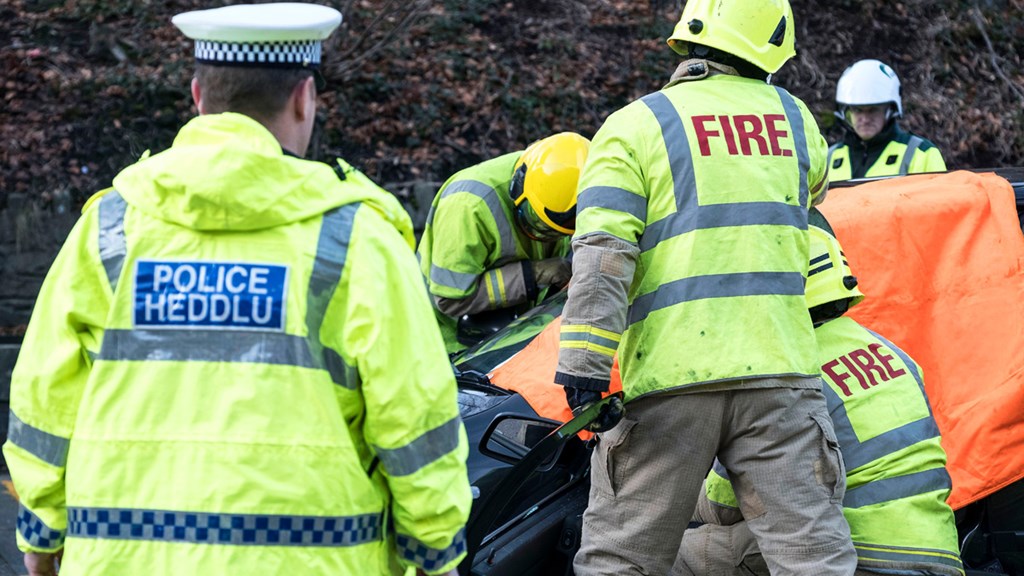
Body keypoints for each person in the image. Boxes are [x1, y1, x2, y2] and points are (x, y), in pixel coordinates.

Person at [2, 4, 470, 575]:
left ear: (198, 97)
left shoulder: (107, 230)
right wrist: (435, 554)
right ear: (305, 98)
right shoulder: (359, 240)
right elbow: (416, 416)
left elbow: (44, 399)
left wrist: (41, 535)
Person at [553, 0, 858, 574]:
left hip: (672, 381)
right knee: (813, 557)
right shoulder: (797, 121)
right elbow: (812, 195)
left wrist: (584, 370)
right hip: (781, 378)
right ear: (769, 48)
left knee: (622, 557)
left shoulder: (633, 127)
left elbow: (603, 256)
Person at [674, 225, 964, 576]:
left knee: (679, 552)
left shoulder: (788, 373)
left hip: (856, 552)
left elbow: (723, 504)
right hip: (940, 553)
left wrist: (667, 505)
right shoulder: (889, 351)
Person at [417, 132, 589, 353]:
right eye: (535, 222)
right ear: (519, 185)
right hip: (442, 343)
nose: (541, 236)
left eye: (554, 233)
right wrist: (534, 274)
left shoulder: (560, 181)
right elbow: (449, 300)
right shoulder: (467, 206)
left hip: (506, 337)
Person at [829, 59, 946, 181]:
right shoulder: (829, 158)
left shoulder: (921, 154)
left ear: (890, 110)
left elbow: (941, 199)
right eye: (857, 110)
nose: (865, 119)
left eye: (873, 110)